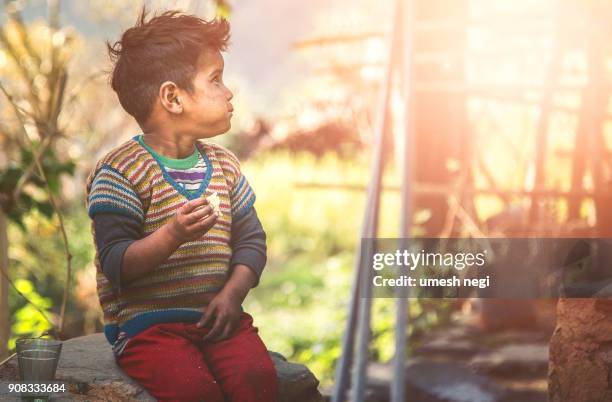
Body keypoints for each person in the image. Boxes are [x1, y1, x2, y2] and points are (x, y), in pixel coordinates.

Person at [84, 8, 277, 402]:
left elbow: (252, 242)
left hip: (219, 319)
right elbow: (117, 263)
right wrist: (173, 234)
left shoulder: (225, 166)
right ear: (173, 97)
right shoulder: (120, 172)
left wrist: (232, 295)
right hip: (149, 331)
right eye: (216, 79)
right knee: (193, 391)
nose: (229, 92)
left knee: (259, 380)